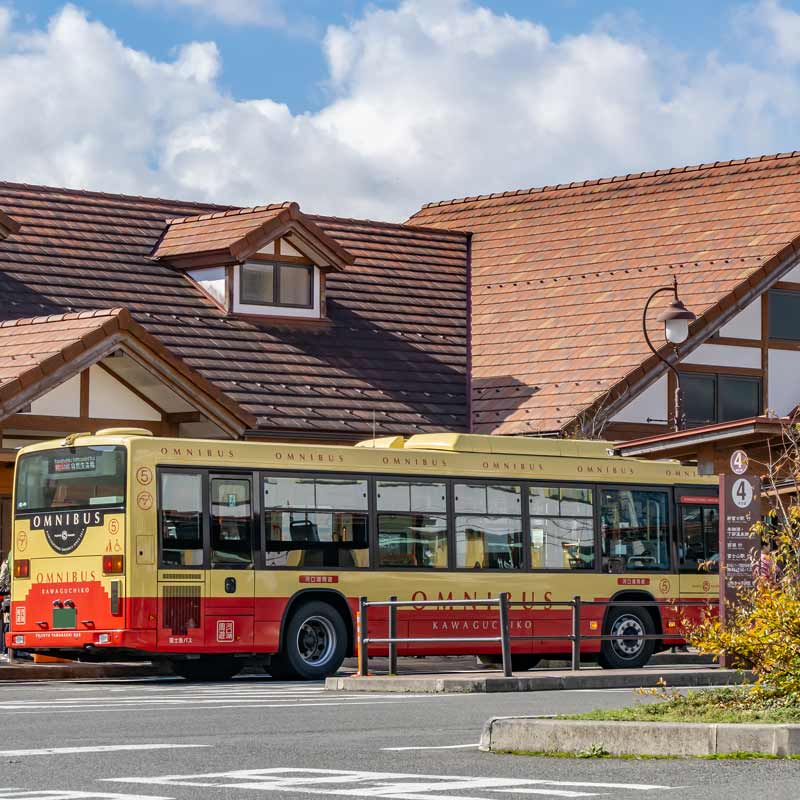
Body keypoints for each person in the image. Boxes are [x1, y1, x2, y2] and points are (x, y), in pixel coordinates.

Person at [0, 558, 9, 659]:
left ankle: (6, 650)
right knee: (8, 624)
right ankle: (6, 650)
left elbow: (1, 580)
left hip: (8, 596)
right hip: (10, 595)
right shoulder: (7, 564)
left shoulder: (5, 564)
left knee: (7, 623)